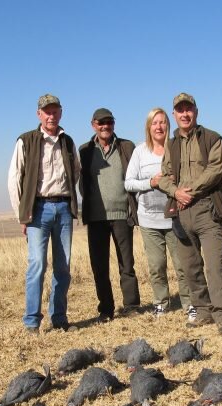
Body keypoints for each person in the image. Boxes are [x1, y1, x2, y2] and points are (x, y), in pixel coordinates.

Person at [157, 93, 222, 334]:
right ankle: (202, 310)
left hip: (206, 209)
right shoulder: (171, 144)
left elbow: (215, 170)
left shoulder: (212, 138)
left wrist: (190, 191)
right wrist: (175, 192)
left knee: (213, 265)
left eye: (188, 109)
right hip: (180, 210)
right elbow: (165, 174)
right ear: (174, 114)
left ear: (196, 111)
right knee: (190, 265)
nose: (185, 113)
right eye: (180, 110)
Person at [7, 93, 80, 334]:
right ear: (39, 114)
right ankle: (31, 321)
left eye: (55, 110)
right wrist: (22, 215)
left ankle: (58, 318)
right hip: (37, 209)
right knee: (37, 264)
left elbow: (75, 172)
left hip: (63, 209)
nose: (51, 115)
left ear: (61, 112)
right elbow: (14, 178)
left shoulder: (68, 142)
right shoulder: (25, 141)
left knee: (63, 266)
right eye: (46, 111)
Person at [124, 108, 193, 319]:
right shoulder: (140, 151)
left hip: (175, 218)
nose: (159, 126)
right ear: (149, 127)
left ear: (168, 125)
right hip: (148, 219)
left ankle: (189, 303)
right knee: (156, 265)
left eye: (163, 122)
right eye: (155, 123)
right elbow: (128, 183)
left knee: (182, 265)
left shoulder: (176, 148)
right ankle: (161, 303)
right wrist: (151, 182)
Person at [79, 108, 141, 322]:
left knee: (127, 263)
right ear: (93, 124)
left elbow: (136, 176)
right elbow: (82, 183)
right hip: (96, 217)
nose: (105, 126)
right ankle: (106, 309)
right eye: (101, 123)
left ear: (114, 124)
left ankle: (131, 306)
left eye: (109, 122)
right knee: (99, 266)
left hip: (122, 214)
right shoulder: (85, 150)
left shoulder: (126, 146)